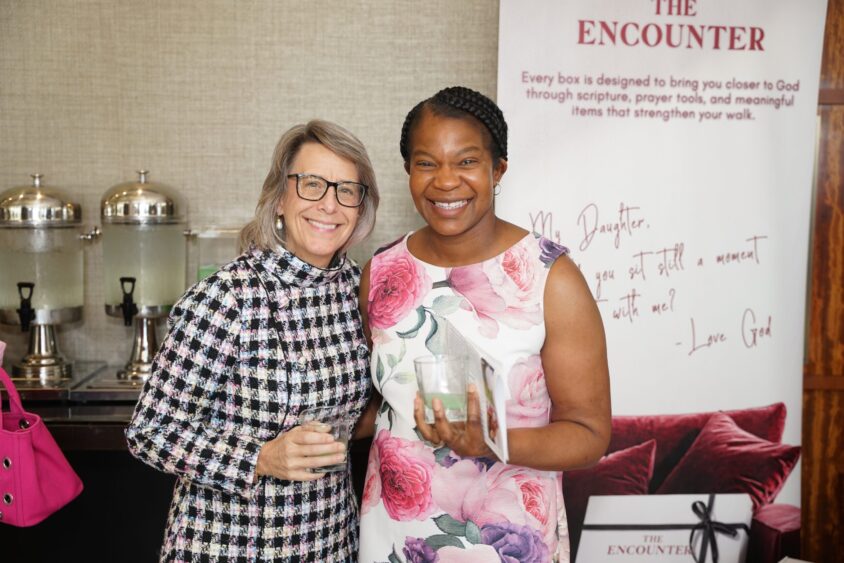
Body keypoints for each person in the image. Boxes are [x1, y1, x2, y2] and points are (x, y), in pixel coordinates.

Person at [356, 87, 611, 562]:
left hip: (507, 540)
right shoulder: (382, 271)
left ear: (498, 170)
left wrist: (495, 442)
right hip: (392, 533)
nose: (445, 181)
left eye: (467, 161)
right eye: (426, 163)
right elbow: (374, 406)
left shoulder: (550, 278)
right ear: (409, 171)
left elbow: (589, 435)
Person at [126, 119, 380, 562]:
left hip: (329, 540)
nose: (329, 205)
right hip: (229, 543)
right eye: (312, 185)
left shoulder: (360, 292)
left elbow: (367, 404)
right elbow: (150, 432)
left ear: (360, 209)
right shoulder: (227, 297)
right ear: (280, 197)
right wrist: (260, 458)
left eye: (346, 190)